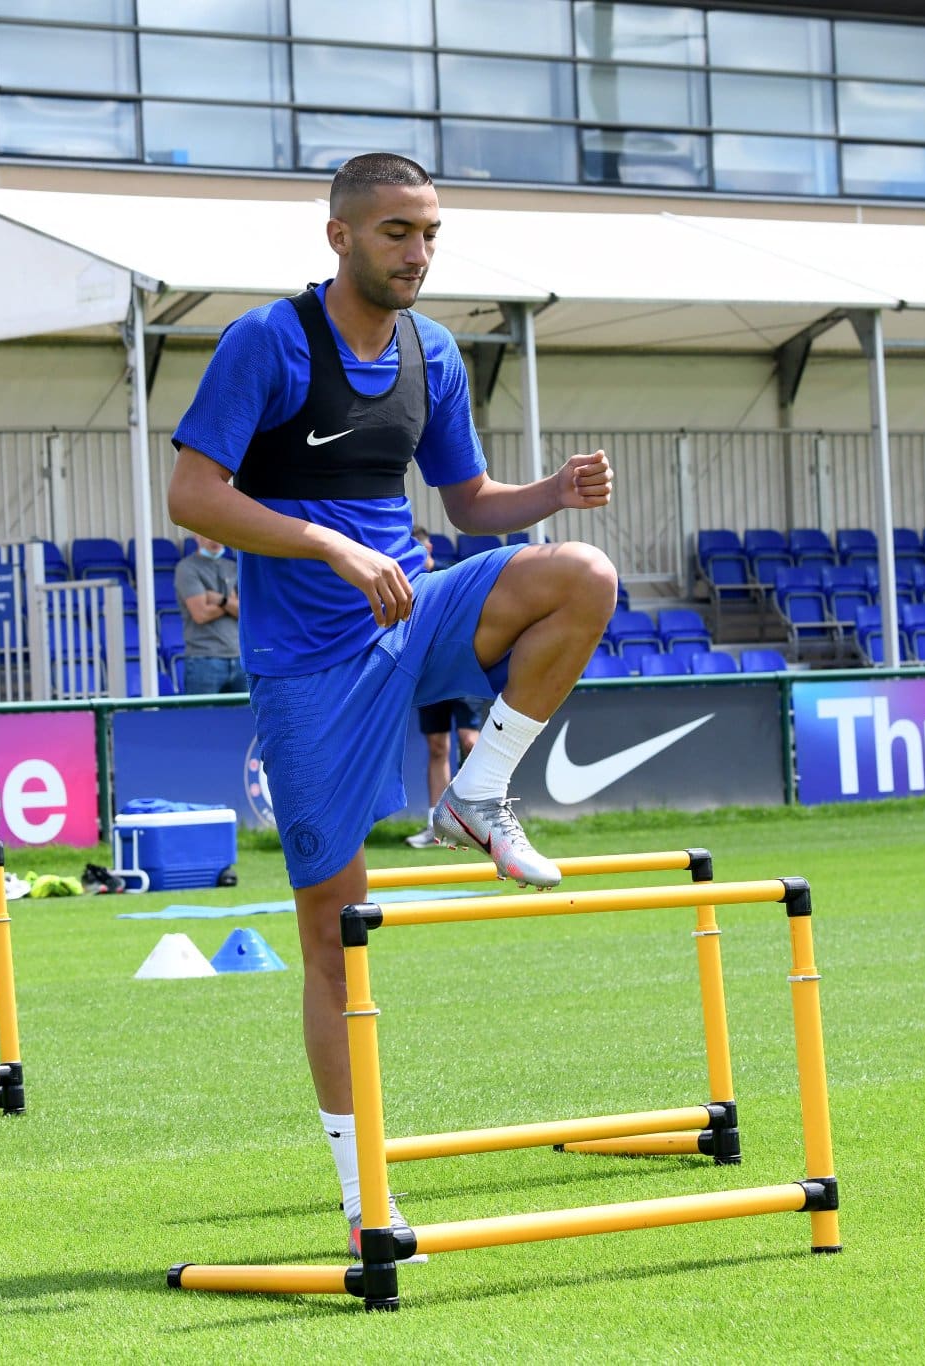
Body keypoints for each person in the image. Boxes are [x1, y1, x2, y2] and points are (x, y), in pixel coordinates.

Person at [167, 153, 617, 1256]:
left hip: (413, 617)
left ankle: (477, 789)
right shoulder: (265, 343)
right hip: (309, 669)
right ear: (338, 237)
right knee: (332, 935)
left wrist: (548, 494)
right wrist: (322, 539)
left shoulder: (435, 353)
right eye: (395, 234)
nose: (416, 253)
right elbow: (189, 492)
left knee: (581, 574)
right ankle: (361, 1182)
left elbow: (468, 503)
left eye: (428, 234)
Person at [407, 529, 483, 848]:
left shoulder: (450, 577)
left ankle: (478, 817)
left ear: (429, 548)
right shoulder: (403, 583)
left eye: (420, 549)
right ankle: (437, 827)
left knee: (469, 740)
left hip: (463, 669)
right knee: (438, 747)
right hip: (430, 675)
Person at [173, 532, 245, 693]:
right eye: (207, 534)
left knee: (242, 717)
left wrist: (220, 600)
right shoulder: (187, 568)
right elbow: (201, 614)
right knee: (202, 718)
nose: (215, 539)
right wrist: (231, 603)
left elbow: (245, 612)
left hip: (238, 657)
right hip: (203, 660)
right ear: (196, 536)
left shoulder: (232, 568)